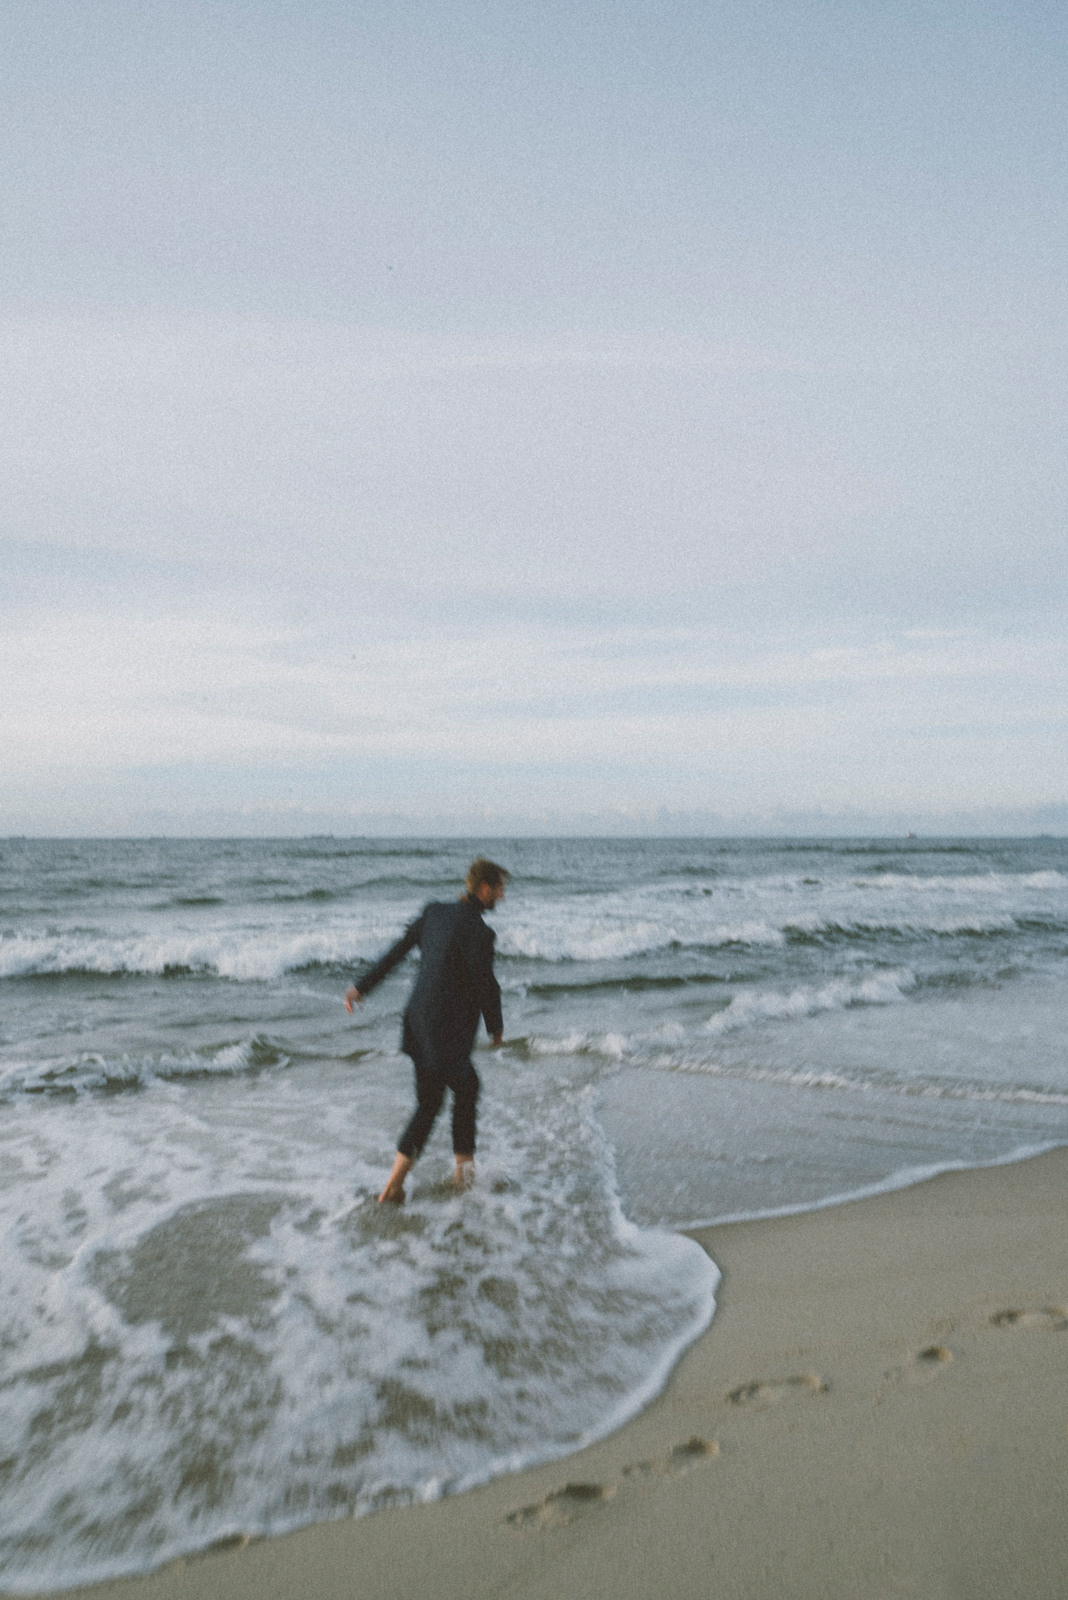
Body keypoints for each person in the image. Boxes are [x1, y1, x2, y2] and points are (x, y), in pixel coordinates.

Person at [345, 857, 508, 1203]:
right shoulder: (480, 932)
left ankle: (399, 1185)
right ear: (484, 889)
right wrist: (495, 1026)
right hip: (447, 1031)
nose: (502, 897)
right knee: (460, 1091)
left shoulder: (434, 912)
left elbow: (397, 952)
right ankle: (457, 1179)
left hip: (417, 1023)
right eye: (499, 889)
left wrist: (362, 987)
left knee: (432, 1101)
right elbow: (485, 984)